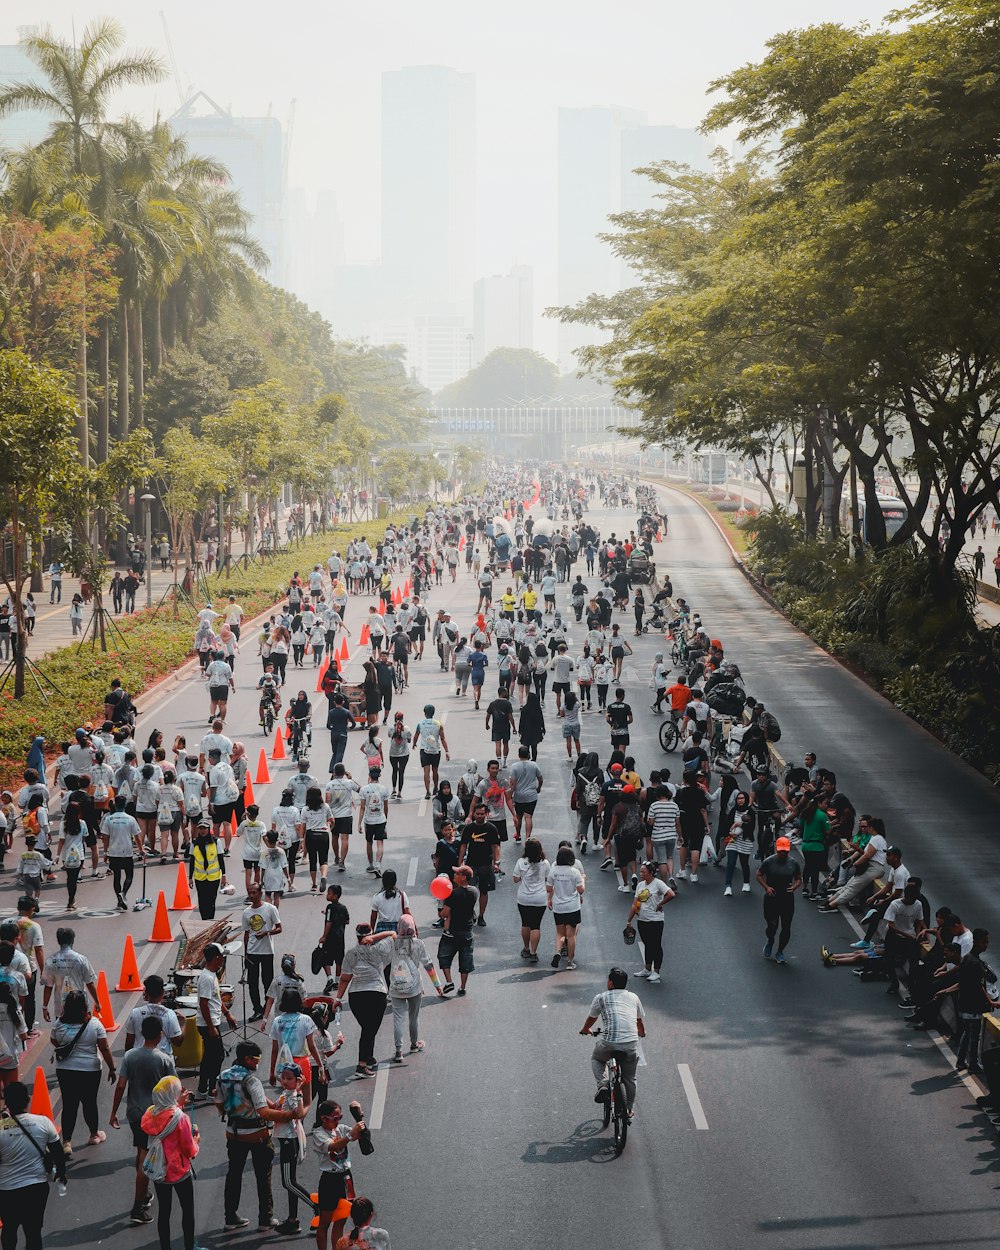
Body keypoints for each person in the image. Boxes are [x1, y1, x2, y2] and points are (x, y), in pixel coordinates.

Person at [217, 1040, 295, 1233]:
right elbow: (263, 1111)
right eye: (256, 1059)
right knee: (263, 1175)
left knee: (233, 1175)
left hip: (233, 1133)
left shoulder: (223, 1077)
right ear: (247, 1059)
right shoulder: (252, 1080)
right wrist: (288, 1116)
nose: (258, 1063)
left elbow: (218, 1102)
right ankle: (266, 1218)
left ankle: (230, 1217)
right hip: (256, 1135)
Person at [110, 1015, 177, 1225]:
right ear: (160, 1035)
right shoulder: (165, 1059)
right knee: (146, 1159)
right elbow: (175, 1089)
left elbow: (121, 1086)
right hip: (156, 1117)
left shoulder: (130, 1056)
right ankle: (137, 1206)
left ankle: (144, 1194)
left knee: (141, 1152)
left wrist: (113, 1112)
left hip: (134, 1113)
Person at [0, 1079, 66, 1250]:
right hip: (36, 1187)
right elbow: (58, 1153)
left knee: (9, 1228)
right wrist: (61, 1173)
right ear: (27, 1100)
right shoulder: (43, 1122)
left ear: (6, 1104)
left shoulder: (0, 1128)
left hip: (7, 1190)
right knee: (33, 1232)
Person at [367, 915, 444, 1061]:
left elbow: (380, 963)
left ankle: (398, 1051)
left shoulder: (392, 944)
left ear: (399, 928)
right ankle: (414, 1044)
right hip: (414, 987)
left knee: (398, 1019)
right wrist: (437, 985)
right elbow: (428, 965)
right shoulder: (418, 944)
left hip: (396, 987)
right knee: (413, 1017)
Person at [50, 990, 116, 1152]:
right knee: (89, 1102)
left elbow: (54, 1041)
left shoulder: (59, 1024)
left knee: (69, 1105)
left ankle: (67, 1142)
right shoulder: (94, 1024)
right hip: (90, 1070)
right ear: (84, 1006)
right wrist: (112, 1068)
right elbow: (104, 1047)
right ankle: (94, 1135)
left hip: (65, 1069)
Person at [578, 967, 645, 1116]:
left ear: (611, 984)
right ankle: (628, 1110)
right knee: (630, 1078)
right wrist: (642, 1033)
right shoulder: (634, 997)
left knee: (596, 1058)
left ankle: (603, 1084)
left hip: (609, 1043)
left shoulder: (601, 997)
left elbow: (592, 1019)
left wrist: (585, 1029)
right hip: (630, 1044)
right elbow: (639, 1021)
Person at [333, 926, 393, 1077]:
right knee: (369, 1030)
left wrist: (338, 998)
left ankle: (369, 1058)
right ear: (371, 936)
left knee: (368, 1028)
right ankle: (361, 1066)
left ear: (357, 937)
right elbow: (393, 934)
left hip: (356, 998)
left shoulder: (351, 953)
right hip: (376, 995)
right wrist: (374, 938)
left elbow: (345, 978)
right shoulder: (379, 949)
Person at [313, 1101, 368, 1250]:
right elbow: (334, 1146)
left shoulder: (341, 1129)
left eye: (340, 1117)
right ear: (324, 1119)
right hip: (330, 1180)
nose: (338, 1121)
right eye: (335, 1118)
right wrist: (350, 1136)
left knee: (341, 1220)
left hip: (346, 1178)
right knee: (325, 1222)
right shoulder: (318, 1134)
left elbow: (361, 1135)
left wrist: (359, 1117)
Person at [195, 943, 236, 1101]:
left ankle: (202, 1090)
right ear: (216, 958)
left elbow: (215, 999)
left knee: (209, 1057)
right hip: (208, 1024)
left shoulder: (211, 975)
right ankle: (213, 1091)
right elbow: (204, 1003)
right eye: (221, 957)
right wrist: (212, 1027)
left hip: (212, 1022)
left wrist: (227, 1014)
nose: (222, 960)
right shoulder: (206, 978)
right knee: (217, 1056)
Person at [626, 861, 676, 983]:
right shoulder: (640, 885)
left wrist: (660, 904)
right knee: (647, 944)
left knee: (656, 945)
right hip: (642, 920)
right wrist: (629, 920)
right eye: (640, 871)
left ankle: (656, 971)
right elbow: (635, 904)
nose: (641, 873)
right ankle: (647, 968)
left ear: (651, 873)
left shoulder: (658, 884)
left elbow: (671, 894)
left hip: (655, 920)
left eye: (643, 871)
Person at [756, 836, 802, 964]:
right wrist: (766, 887)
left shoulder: (793, 863)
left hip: (787, 898)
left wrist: (794, 887)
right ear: (777, 849)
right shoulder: (769, 861)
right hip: (772, 897)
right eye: (781, 850)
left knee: (786, 927)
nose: (783, 853)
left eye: (785, 851)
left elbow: (799, 878)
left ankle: (780, 951)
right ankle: (770, 940)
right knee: (772, 926)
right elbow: (758, 874)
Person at [242, 884, 282, 1023]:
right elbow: (246, 934)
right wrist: (245, 954)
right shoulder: (246, 912)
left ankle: (266, 1006)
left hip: (267, 951)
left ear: (260, 893)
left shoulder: (270, 909)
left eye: (254, 892)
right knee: (252, 983)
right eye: (249, 893)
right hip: (252, 951)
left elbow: (279, 928)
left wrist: (267, 932)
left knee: (267, 981)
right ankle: (257, 1009)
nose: (251, 895)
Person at [437, 865, 478, 996]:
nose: (454, 875)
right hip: (467, 931)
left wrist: (440, 904)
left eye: (457, 874)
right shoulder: (474, 892)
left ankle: (449, 982)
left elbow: (444, 914)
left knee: (444, 956)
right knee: (465, 959)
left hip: (452, 932)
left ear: (464, 877)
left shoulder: (453, 894)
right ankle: (462, 987)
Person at [547, 844, 586, 970]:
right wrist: (583, 879)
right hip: (572, 907)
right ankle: (570, 962)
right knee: (571, 935)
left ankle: (558, 951)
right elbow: (581, 890)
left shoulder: (554, 871)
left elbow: (548, 888)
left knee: (560, 933)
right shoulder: (574, 872)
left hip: (559, 907)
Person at [513, 838, 550, 964]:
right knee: (536, 925)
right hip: (540, 898)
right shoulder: (545, 863)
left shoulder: (521, 862)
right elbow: (548, 879)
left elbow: (515, 879)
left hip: (524, 898)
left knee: (525, 923)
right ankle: (534, 953)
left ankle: (526, 948)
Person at [413, 705, 450, 799]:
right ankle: (436, 787)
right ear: (433, 713)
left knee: (426, 771)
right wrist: (447, 751)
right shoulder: (438, 724)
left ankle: (427, 791)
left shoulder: (420, 723)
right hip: (436, 750)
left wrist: (414, 743)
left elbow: (416, 735)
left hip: (424, 750)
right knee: (435, 770)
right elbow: (442, 738)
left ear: (425, 713)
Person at [508, 745, 543, 840]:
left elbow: (512, 783)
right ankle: (528, 838)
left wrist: (510, 795)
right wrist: (538, 787)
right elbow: (540, 778)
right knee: (528, 817)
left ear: (519, 755)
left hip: (519, 795)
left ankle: (518, 834)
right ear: (529, 754)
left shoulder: (514, 766)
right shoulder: (534, 765)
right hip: (531, 795)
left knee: (518, 816)